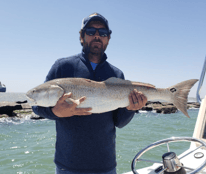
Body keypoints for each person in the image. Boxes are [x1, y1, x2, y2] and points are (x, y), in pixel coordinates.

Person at [32, 13, 147, 174]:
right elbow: (35, 106)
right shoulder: (62, 67)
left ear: (108, 39)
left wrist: (131, 109)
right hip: (68, 166)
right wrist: (55, 112)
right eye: (91, 31)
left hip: (105, 166)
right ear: (82, 36)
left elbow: (119, 122)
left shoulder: (116, 74)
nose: (97, 36)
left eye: (103, 33)